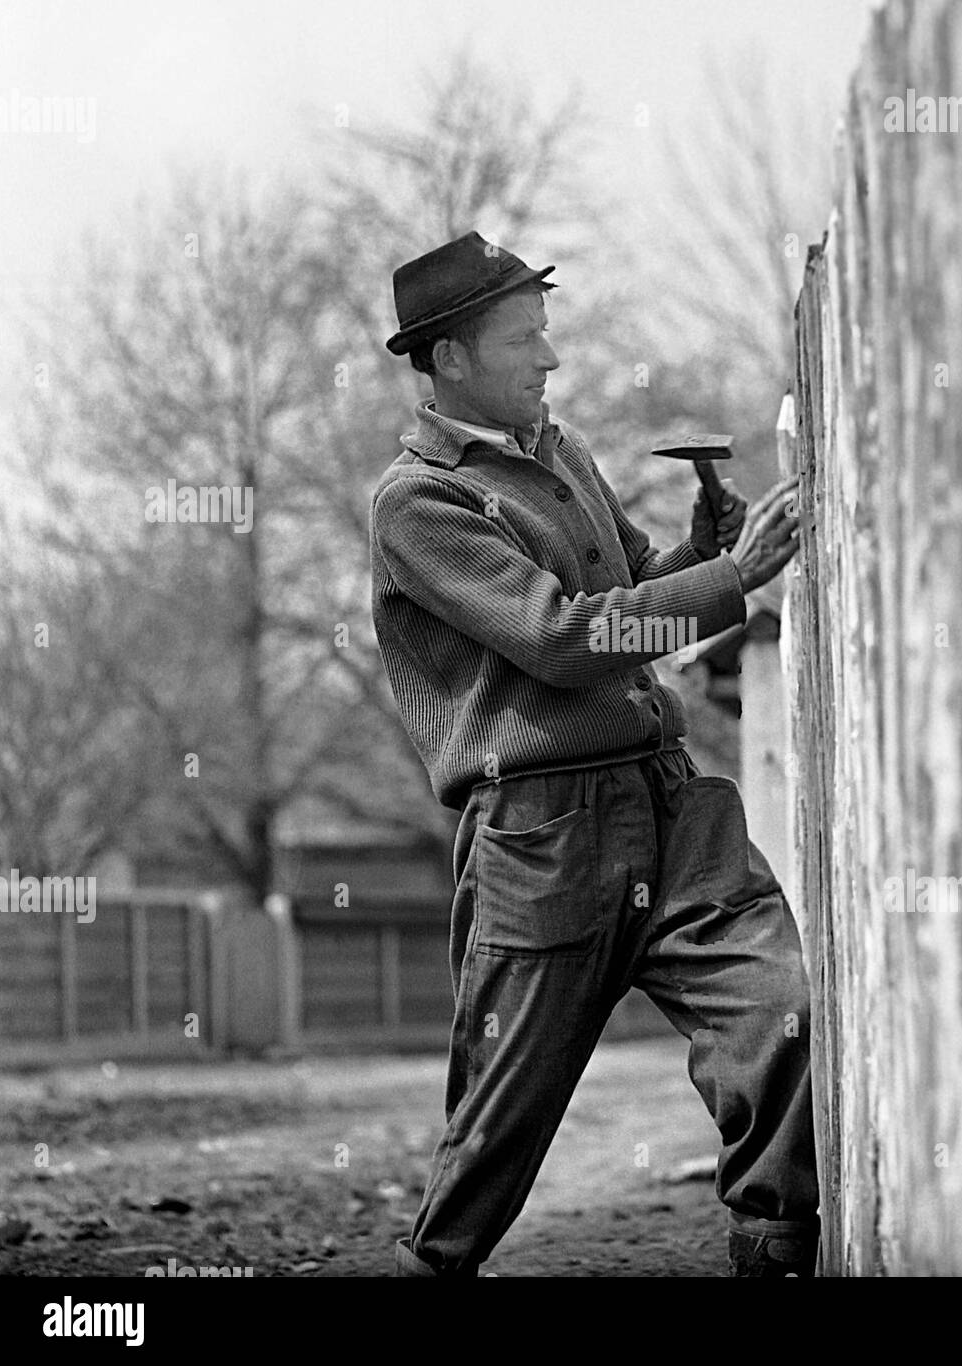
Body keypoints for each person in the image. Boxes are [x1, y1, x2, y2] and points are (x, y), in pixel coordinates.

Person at [369, 231, 817, 1276]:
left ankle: (777, 1248)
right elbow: (566, 637)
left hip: (669, 806)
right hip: (543, 841)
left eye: (544, 333)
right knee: (495, 1129)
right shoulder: (417, 503)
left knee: (780, 1012)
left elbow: (643, 585)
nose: (549, 359)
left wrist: (708, 550)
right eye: (524, 339)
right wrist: (733, 578)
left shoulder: (558, 450)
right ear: (448, 360)